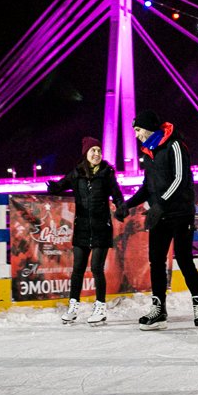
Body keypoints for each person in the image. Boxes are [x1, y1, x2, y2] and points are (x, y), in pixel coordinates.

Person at [123, 110, 198, 330]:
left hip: (180, 213)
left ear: (149, 127)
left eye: (138, 129)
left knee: (184, 259)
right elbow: (147, 186)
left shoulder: (175, 145)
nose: (136, 135)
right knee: (156, 261)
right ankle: (159, 310)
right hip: (160, 215)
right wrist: (128, 204)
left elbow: (180, 179)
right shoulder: (149, 152)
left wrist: (160, 204)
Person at [47, 136, 127, 325]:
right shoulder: (77, 173)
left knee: (97, 268)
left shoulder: (107, 173)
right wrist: (55, 187)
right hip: (82, 228)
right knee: (78, 270)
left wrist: (121, 206)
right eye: (93, 151)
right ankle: (73, 307)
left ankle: (100, 307)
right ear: (86, 153)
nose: (97, 154)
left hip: (101, 228)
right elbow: (62, 185)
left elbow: (116, 194)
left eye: (99, 151)